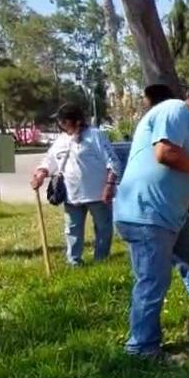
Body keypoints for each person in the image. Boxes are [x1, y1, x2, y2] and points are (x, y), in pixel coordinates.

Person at [113, 89, 189, 359]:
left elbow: (184, 185)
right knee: (153, 280)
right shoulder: (175, 109)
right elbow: (165, 153)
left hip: (169, 216)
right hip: (147, 214)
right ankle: (142, 348)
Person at [30, 103, 123, 266]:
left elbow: (113, 162)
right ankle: (74, 262)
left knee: (103, 229)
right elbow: (49, 161)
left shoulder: (95, 135)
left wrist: (109, 185)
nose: (59, 124)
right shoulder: (60, 140)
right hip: (72, 196)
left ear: (69, 121)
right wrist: (40, 174)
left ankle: (101, 261)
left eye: (61, 121)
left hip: (98, 194)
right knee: (72, 230)